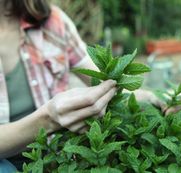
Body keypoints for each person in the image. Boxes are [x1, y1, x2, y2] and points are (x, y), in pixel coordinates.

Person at [0, 0, 155, 171]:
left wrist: (154, 98)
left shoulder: (51, 21)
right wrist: (48, 120)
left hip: (54, 156)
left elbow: (106, 83)